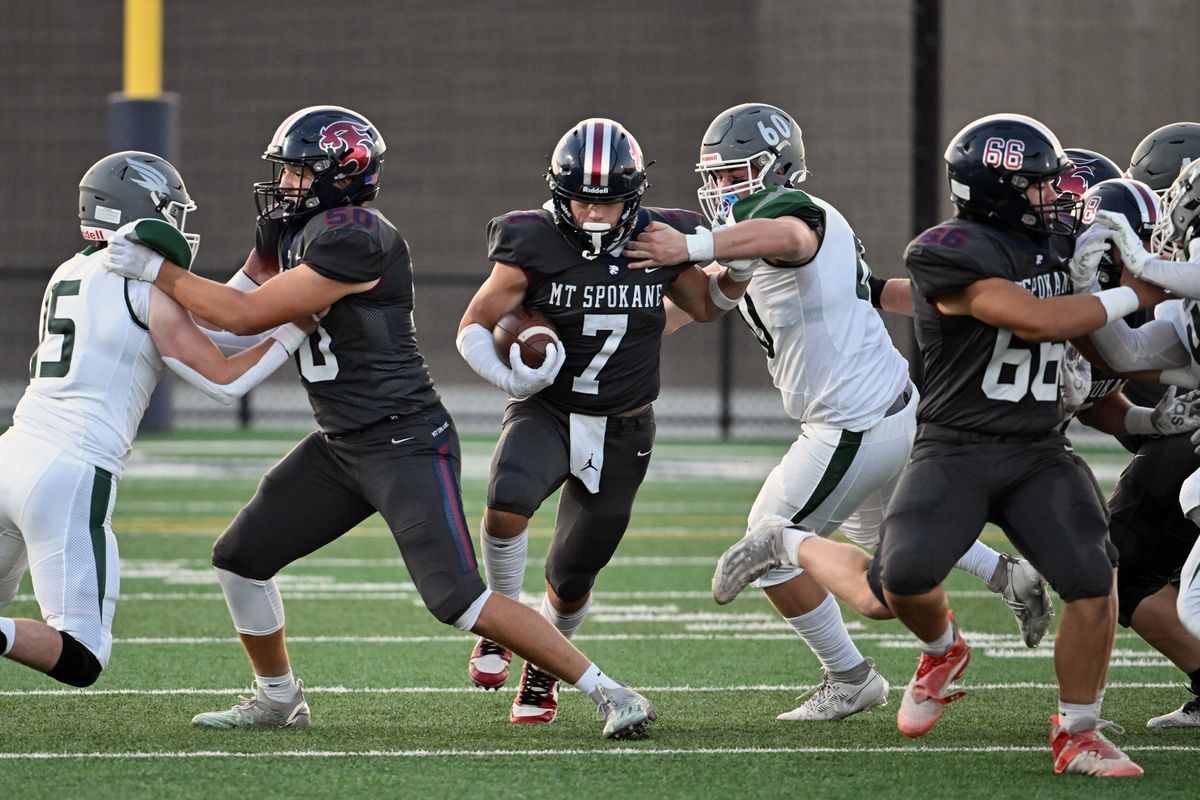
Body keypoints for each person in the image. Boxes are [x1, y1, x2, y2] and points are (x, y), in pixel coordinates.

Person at [102, 106, 658, 739]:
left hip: (402, 439)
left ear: (342, 176)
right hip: (341, 443)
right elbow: (218, 319)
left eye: (299, 172)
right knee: (240, 557)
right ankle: (278, 697)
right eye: (284, 172)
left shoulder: (356, 235)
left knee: (459, 600)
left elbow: (241, 316)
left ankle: (610, 691)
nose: (286, 185)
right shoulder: (293, 230)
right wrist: (144, 299)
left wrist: (157, 269)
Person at [714, 114, 1157, 777]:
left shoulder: (1063, 244)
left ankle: (1079, 731)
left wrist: (1132, 292)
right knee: (895, 583)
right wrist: (1131, 291)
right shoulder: (947, 249)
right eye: (1040, 186)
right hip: (957, 446)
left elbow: (1121, 348)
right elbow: (1035, 316)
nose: (1055, 198)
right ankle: (904, 620)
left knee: (1095, 581)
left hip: (1039, 448)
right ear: (999, 191)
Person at [626, 103, 1052, 722]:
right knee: (885, 544)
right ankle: (1001, 579)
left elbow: (790, 238)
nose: (721, 188)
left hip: (851, 420)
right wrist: (613, 336)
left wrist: (693, 241)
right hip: (876, 407)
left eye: (734, 173)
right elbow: (699, 303)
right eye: (714, 176)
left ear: (777, 167)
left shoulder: (793, 213)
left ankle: (850, 676)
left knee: (770, 547)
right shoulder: (752, 227)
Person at [456, 117, 748, 724]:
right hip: (551, 409)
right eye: (582, 200)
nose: (593, 214)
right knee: (506, 497)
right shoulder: (530, 240)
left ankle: (543, 671)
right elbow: (473, 324)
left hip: (624, 424)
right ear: (559, 194)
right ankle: (502, 617)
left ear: (633, 196)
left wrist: (735, 272)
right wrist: (515, 379)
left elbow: (705, 305)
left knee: (573, 574)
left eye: (607, 201)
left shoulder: (663, 237)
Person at [0, 151, 308, 689]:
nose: (178, 223)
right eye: (170, 210)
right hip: (68, 471)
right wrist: (295, 327)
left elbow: (208, 327)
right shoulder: (141, 284)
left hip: (13, 453)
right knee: (80, 654)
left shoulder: (68, 272)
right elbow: (223, 377)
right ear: (140, 210)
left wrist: (255, 273)